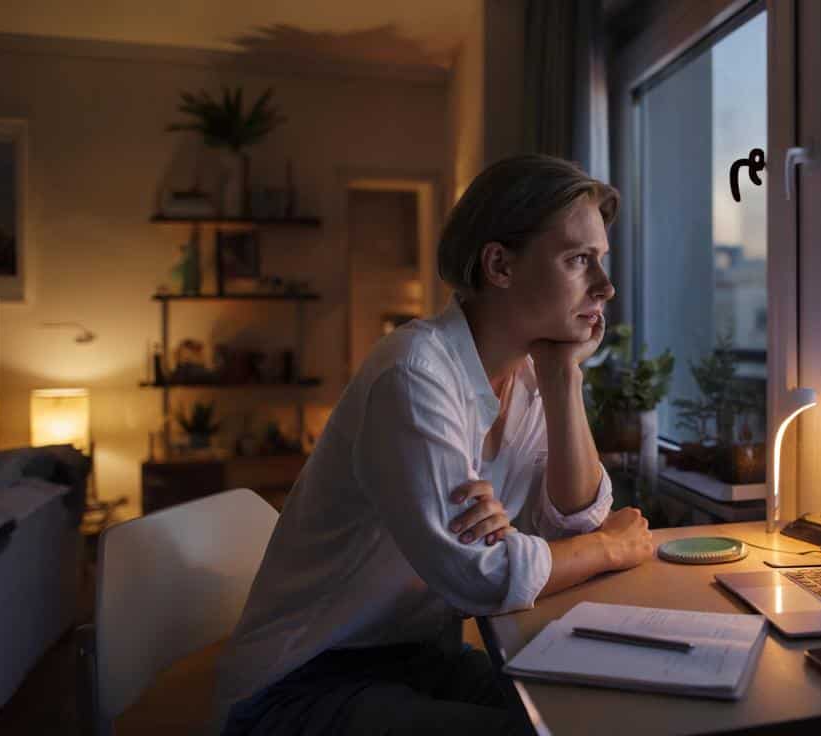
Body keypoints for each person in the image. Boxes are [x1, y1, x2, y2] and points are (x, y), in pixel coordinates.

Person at [213, 155, 655, 735]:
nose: (606, 285)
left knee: (593, 712)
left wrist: (562, 377)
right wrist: (612, 548)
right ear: (499, 265)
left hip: (415, 657)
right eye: (579, 260)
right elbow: (486, 576)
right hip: (301, 682)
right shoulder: (414, 376)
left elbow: (571, 522)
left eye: (600, 259)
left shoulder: (527, 374)